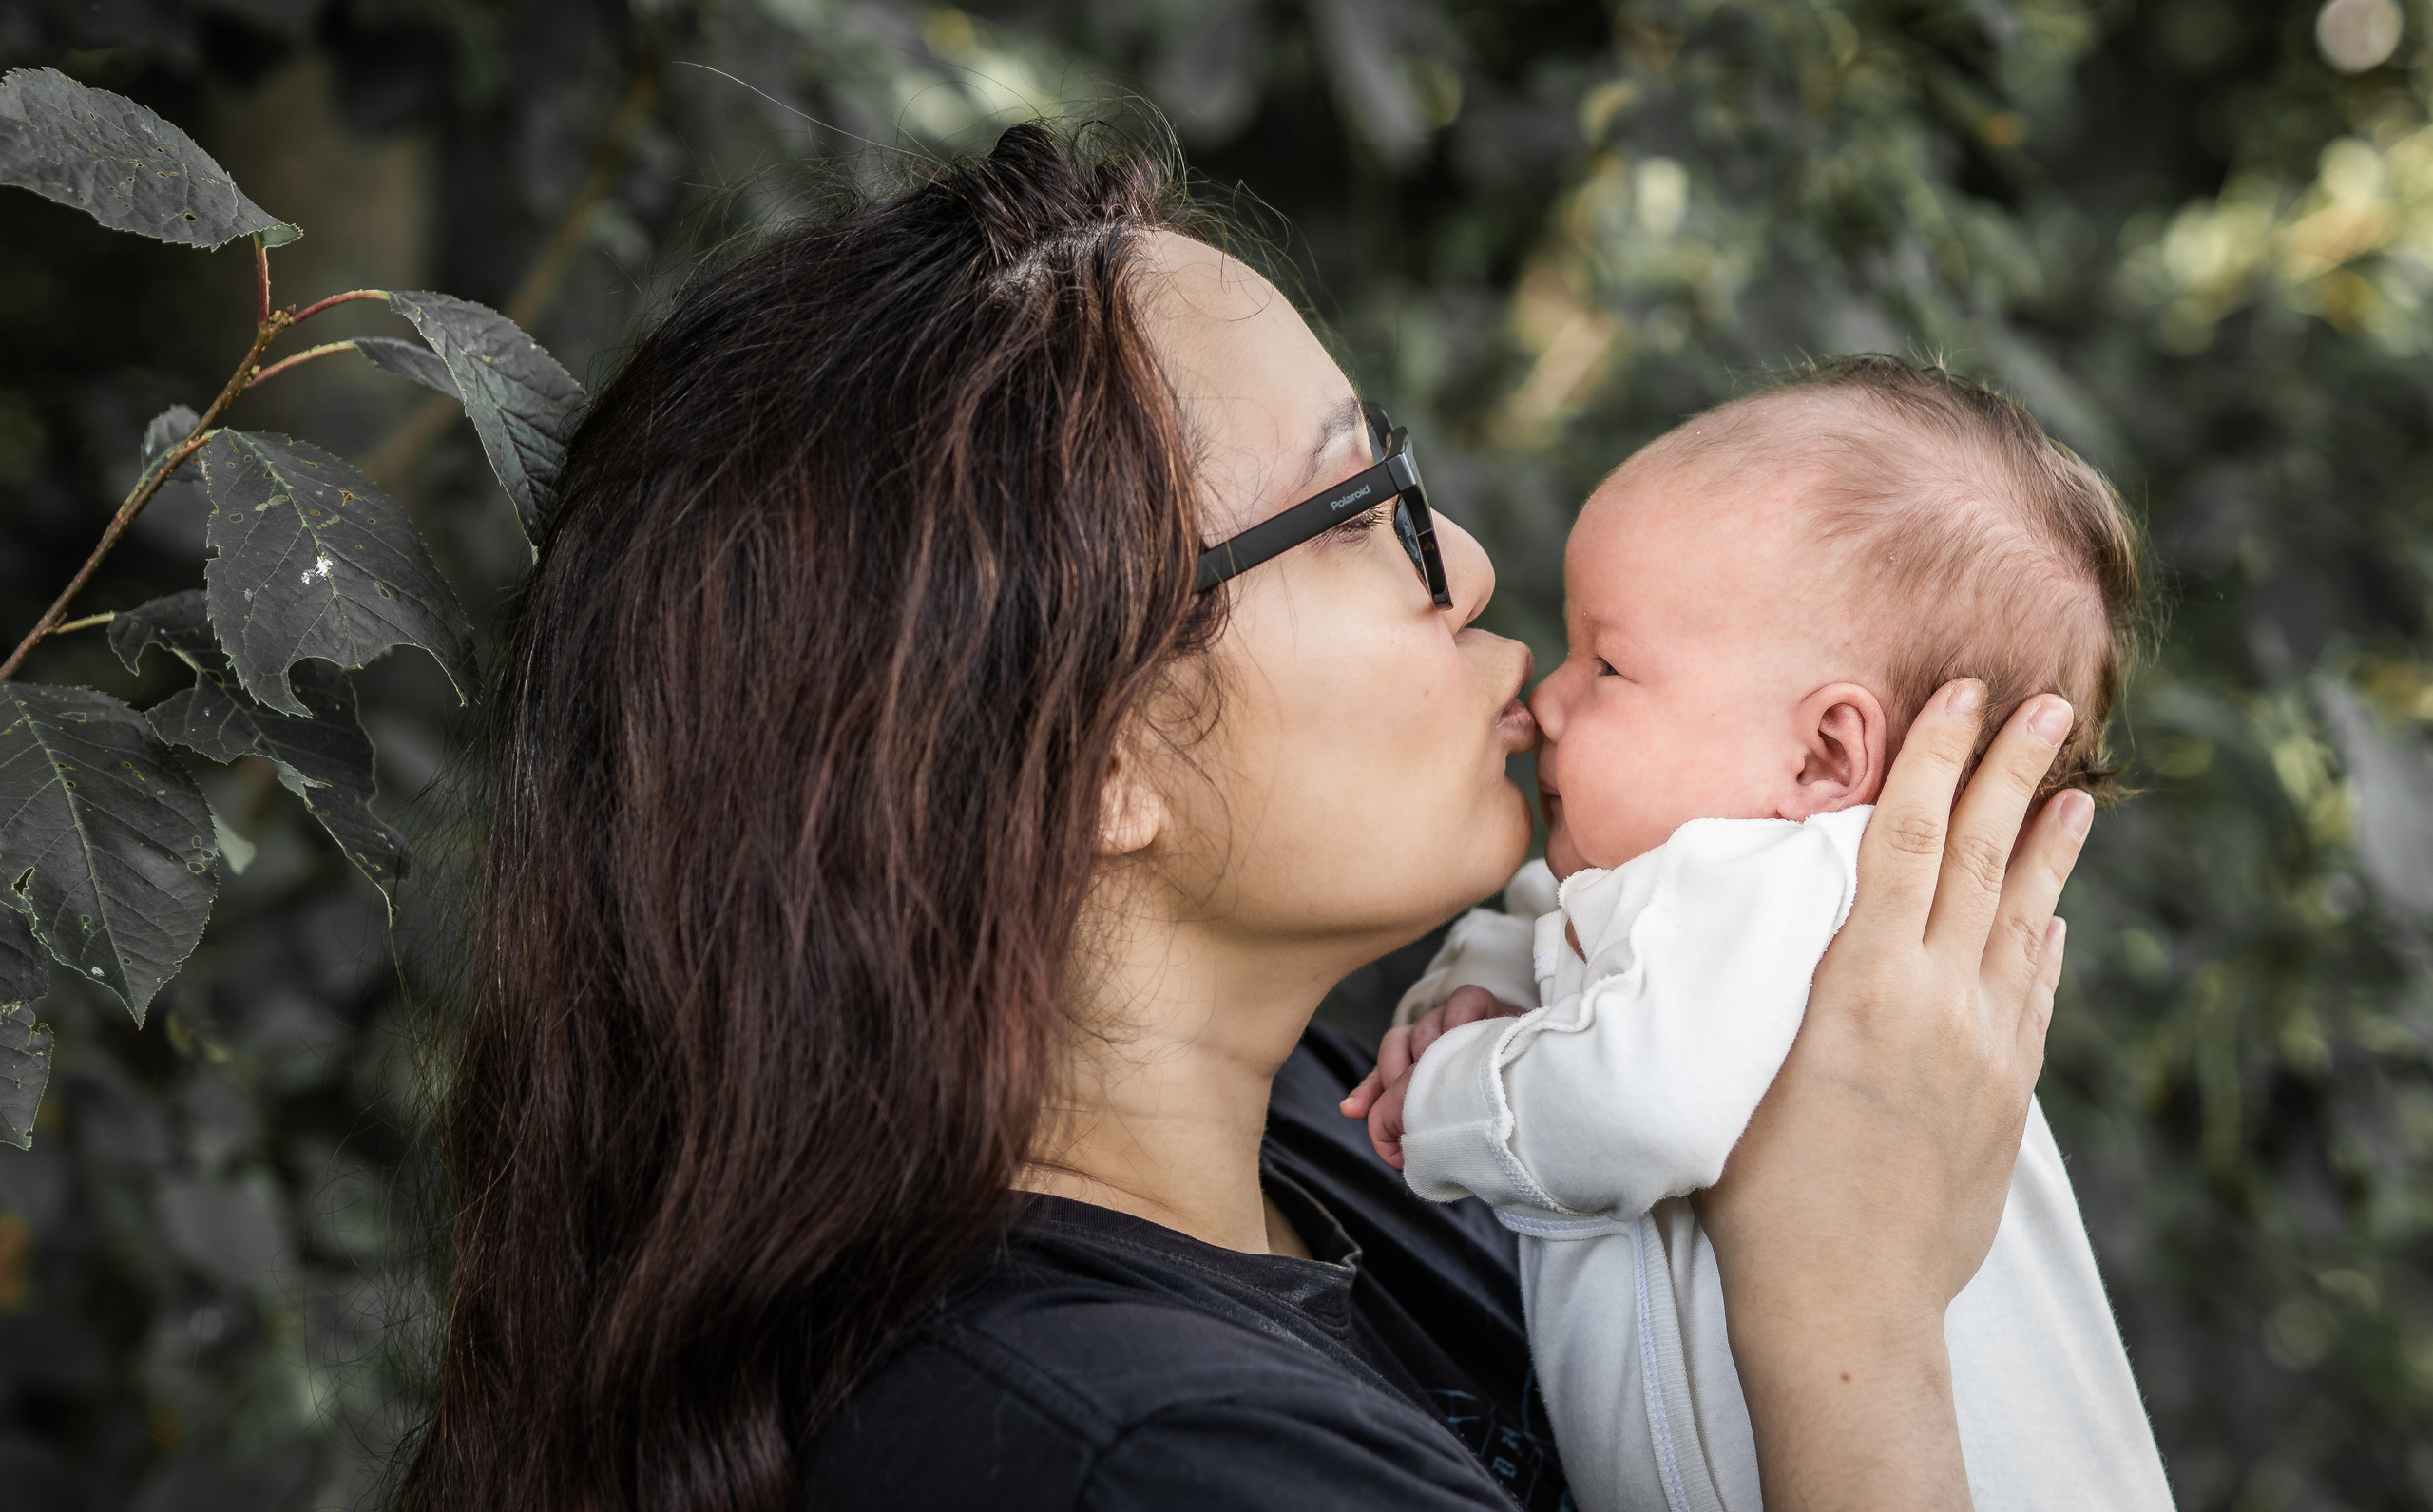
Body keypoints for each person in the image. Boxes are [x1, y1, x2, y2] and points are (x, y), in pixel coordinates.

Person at [398, 124, 2098, 1512]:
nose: (1479, 575)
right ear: (1097, 758)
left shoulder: (1306, 1152)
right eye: (1364, 507)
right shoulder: (1151, 1464)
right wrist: (1850, 1315)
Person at [1348, 362, 2174, 1512]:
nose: (1548, 700)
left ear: (1825, 758)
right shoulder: (1749, 893)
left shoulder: (1789, 884)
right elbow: (1551, 931)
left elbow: (1643, 1106)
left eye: (1610, 663)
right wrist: (1490, 978)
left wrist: (1449, 1092)